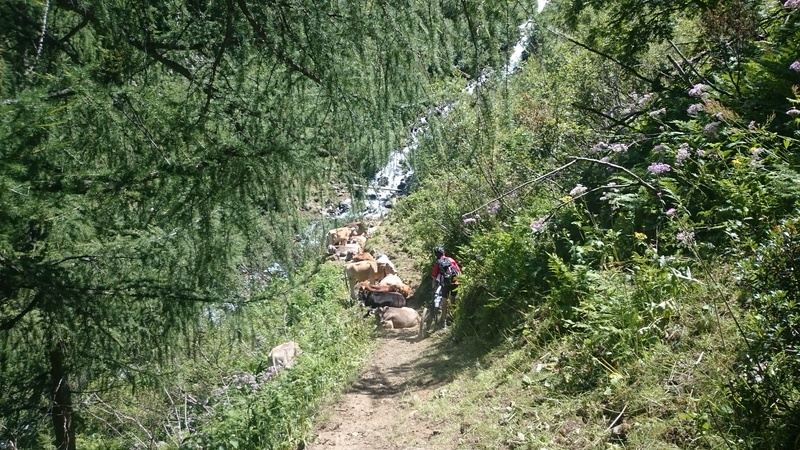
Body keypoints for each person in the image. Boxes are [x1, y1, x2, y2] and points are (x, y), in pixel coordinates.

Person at [429, 246, 461, 329]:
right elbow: (458, 271)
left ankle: (444, 322)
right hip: (455, 282)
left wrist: (433, 288)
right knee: (453, 300)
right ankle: (455, 320)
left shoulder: (438, 263)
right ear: (443, 253)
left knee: (444, 303)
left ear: (436, 255)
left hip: (445, 285)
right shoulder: (451, 260)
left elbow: (434, 278)